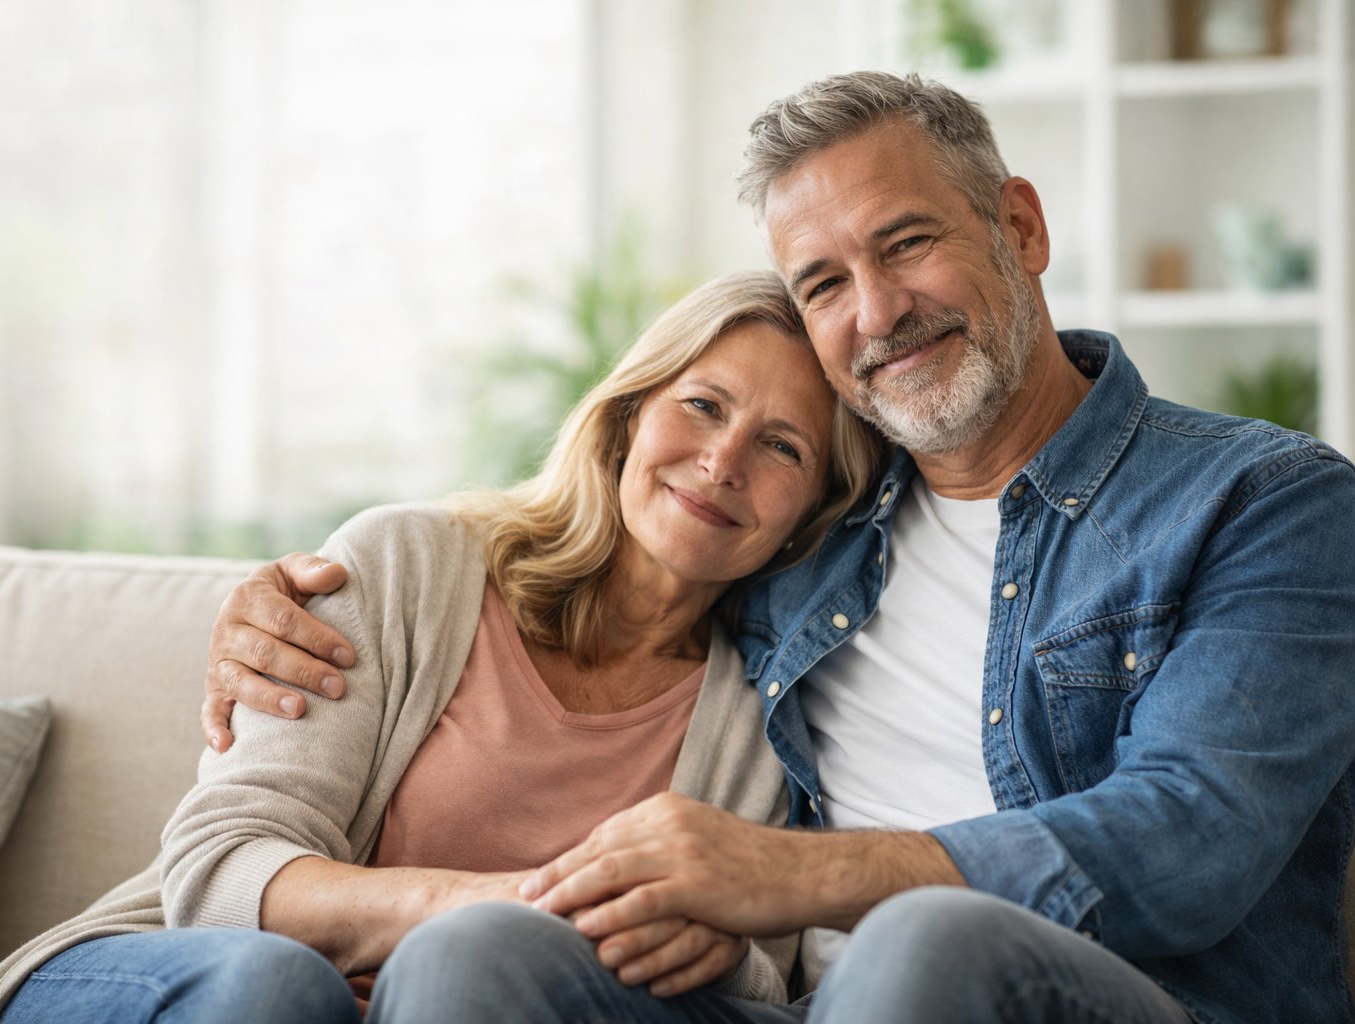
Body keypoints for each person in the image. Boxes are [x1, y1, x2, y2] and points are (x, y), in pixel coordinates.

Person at [205, 72, 1355, 1024]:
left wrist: (791, 875)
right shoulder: (810, 523)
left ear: (1021, 226)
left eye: (906, 244)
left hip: (1135, 1000)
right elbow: (603, 539)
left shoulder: (1268, 503)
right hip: (802, 1009)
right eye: (824, 284)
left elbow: (1193, 834)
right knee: (479, 959)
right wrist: (278, 608)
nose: (877, 310)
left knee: (928, 945)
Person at [0, 272, 888, 1024]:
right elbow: (219, 869)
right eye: (704, 405)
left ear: (812, 516)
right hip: (189, 982)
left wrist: (716, 948)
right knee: (283, 991)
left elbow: (763, 975)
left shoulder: (764, 715)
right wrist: (482, 909)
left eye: (784, 449)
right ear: (627, 417)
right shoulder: (410, 565)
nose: (723, 462)